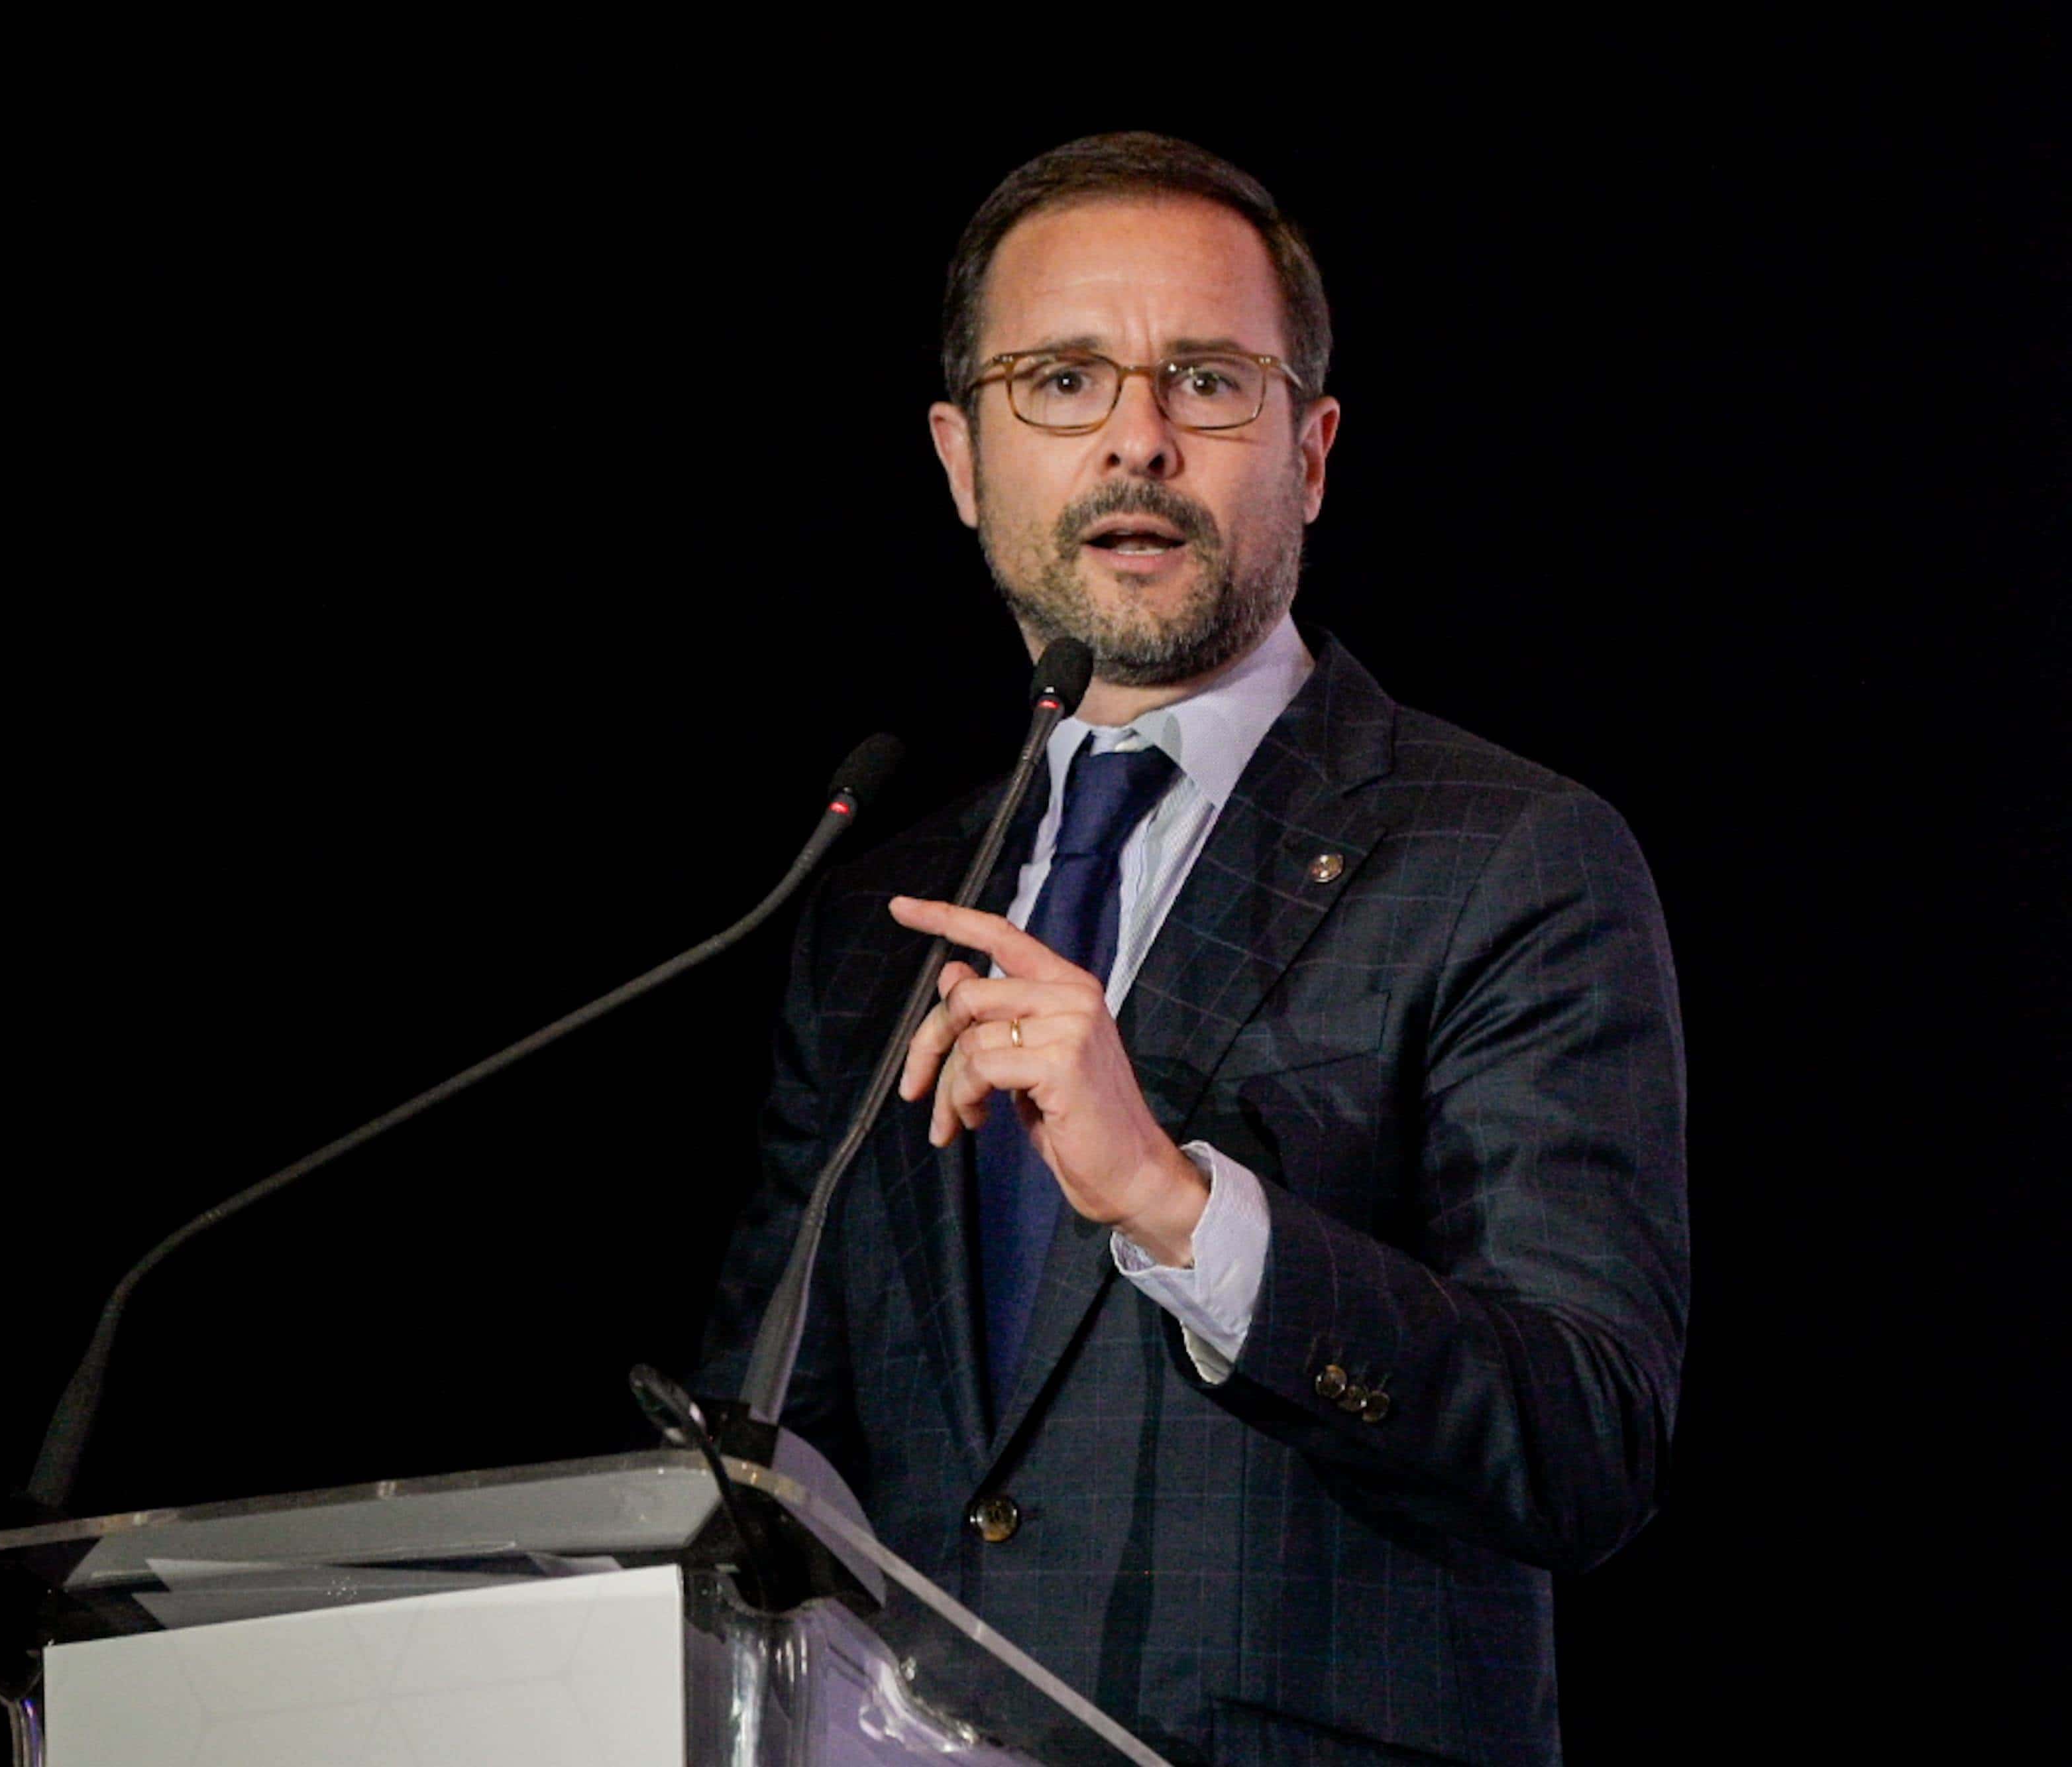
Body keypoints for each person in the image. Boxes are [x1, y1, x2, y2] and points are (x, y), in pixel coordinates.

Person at [695, 133, 1688, 1767]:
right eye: (1062, 380)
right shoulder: (876, 916)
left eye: (1208, 382)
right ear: (961, 458)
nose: (1137, 441)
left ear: (1309, 451)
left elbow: (1583, 1443)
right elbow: (773, 1449)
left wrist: (1175, 1201)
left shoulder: (1503, 856)